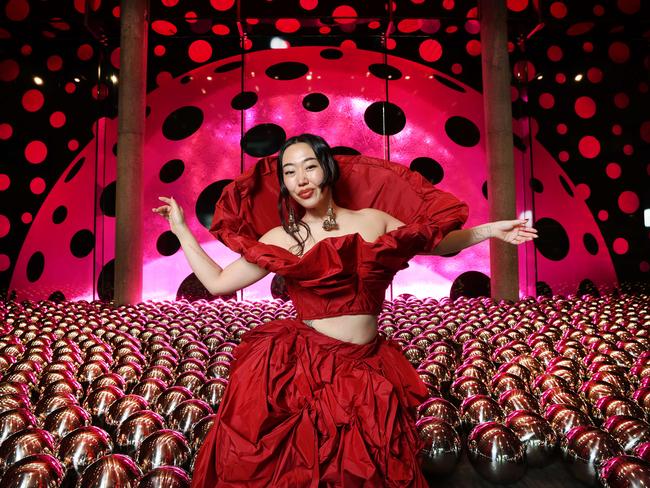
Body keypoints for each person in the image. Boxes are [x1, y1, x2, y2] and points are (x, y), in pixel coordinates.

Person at [153, 133, 537, 487]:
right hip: (307, 371)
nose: (301, 179)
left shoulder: (372, 220)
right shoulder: (281, 238)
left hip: (368, 367)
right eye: (289, 171)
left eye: (309, 166)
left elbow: (434, 243)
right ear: (283, 183)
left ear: (328, 170)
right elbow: (219, 282)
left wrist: (491, 231)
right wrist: (183, 231)